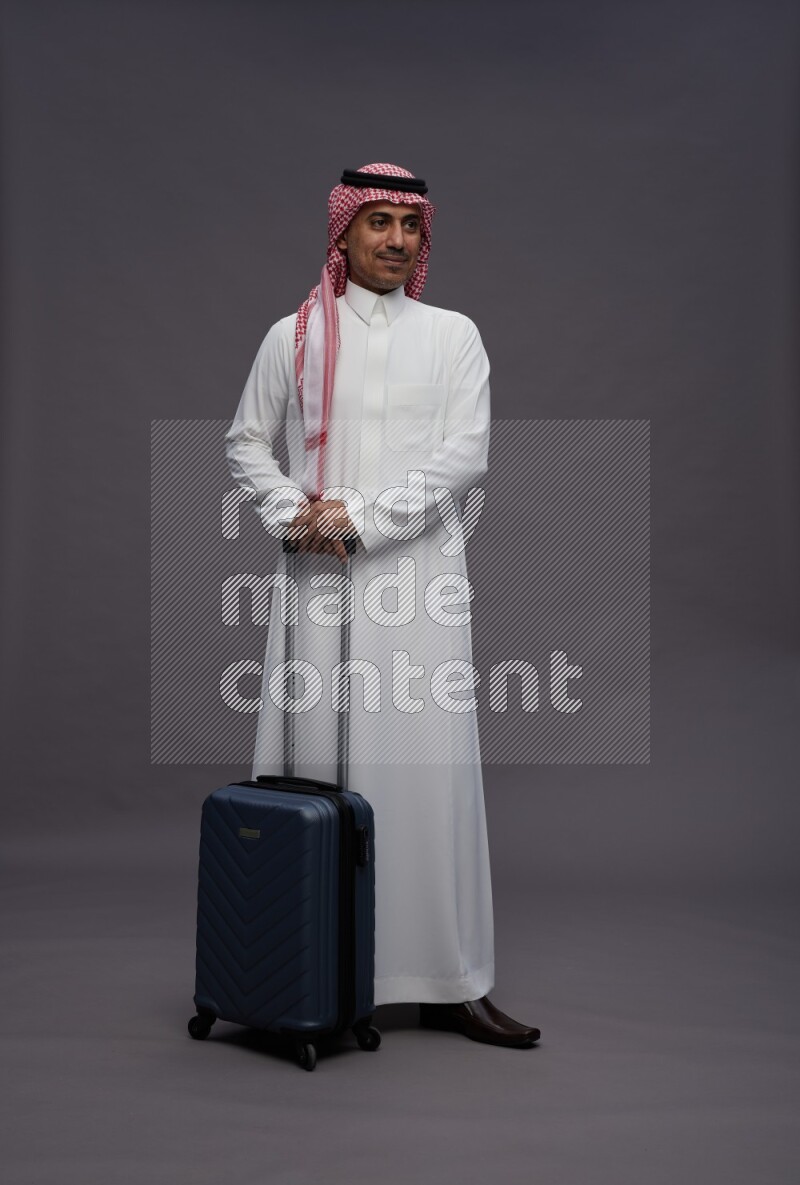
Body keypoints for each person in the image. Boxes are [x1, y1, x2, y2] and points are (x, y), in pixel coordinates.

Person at [225, 163, 540, 1048]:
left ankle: (450, 978)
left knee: (426, 777)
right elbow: (246, 440)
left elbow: (463, 457)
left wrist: (358, 517)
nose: (397, 240)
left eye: (411, 224)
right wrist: (296, 515)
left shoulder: (454, 335)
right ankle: (307, 969)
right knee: (317, 771)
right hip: (315, 589)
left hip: (416, 584)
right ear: (343, 233)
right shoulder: (291, 338)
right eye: (379, 223)